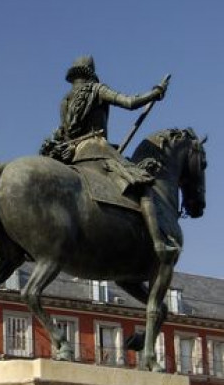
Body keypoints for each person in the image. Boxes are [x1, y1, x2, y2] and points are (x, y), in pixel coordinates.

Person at [40, 55, 179, 262]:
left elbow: (64, 132)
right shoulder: (97, 90)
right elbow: (130, 102)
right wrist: (155, 93)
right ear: (90, 74)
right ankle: (159, 242)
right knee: (143, 184)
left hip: (71, 155)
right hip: (96, 149)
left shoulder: (65, 100)